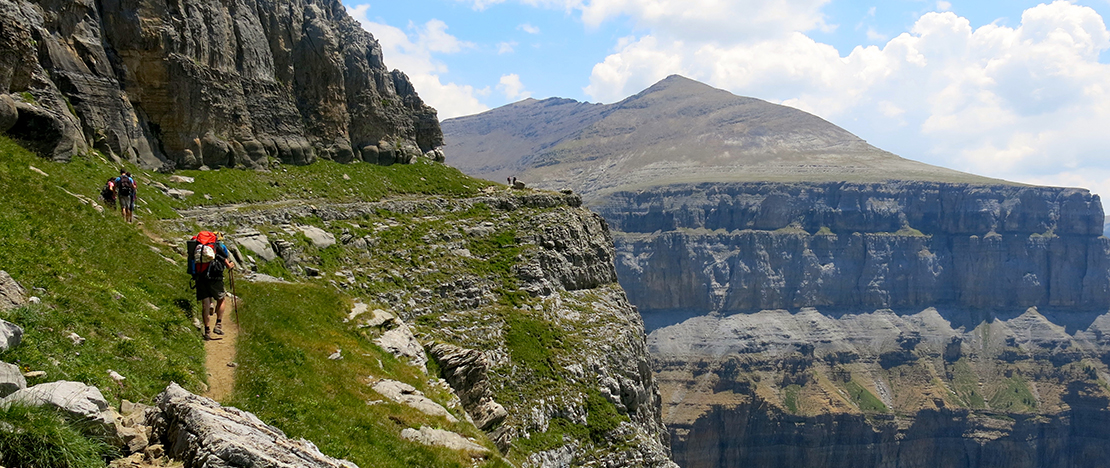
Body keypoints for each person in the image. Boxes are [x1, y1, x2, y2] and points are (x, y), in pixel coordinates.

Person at [193, 232, 235, 340]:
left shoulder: (197, 245)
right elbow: (226, 262)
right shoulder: (217, 246)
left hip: (200, 277)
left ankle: (207, 331)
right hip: (215, 277)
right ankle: (218, 324)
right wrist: (230, 265)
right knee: (221, 299)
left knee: (205, 304)